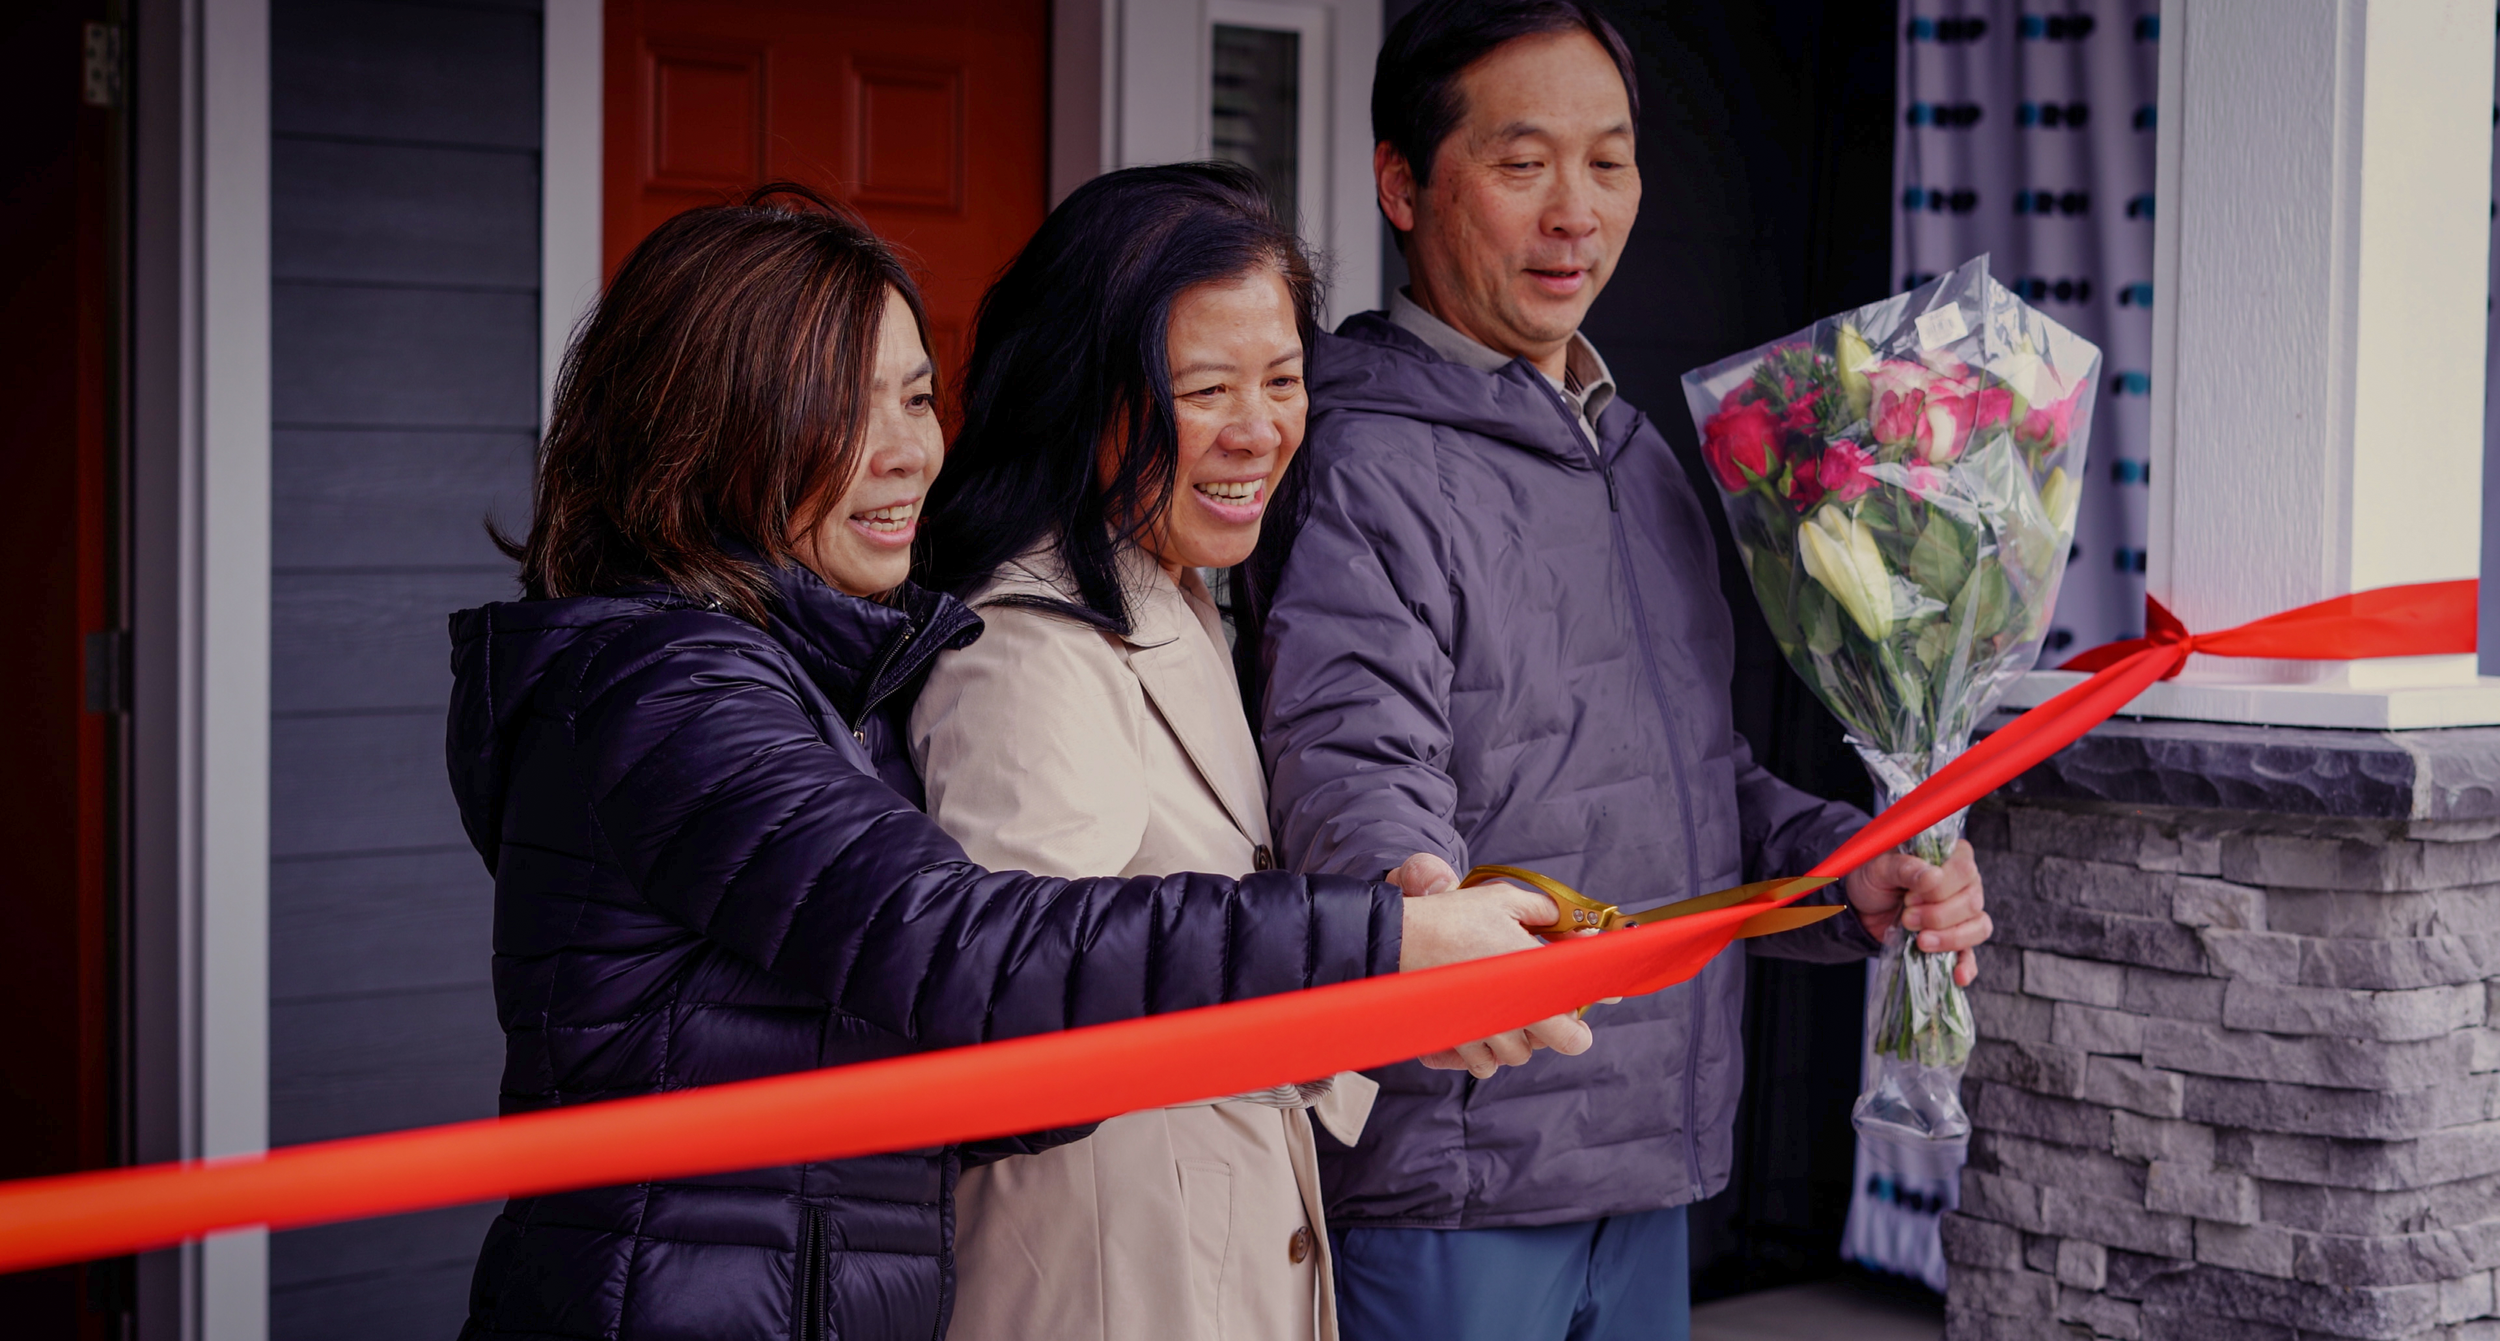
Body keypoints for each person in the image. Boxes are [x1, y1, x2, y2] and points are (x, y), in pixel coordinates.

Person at [444, 185, 1579, 1341]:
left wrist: (1365, 1000)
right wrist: (1379, 947)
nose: (905, 455)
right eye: (834, 412)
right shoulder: (670, 694)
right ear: (706, 429)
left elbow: (970, 1075)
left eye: (916, 398)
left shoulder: (818, 669)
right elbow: (970, 949)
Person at [1249, 6, 1999, 1340]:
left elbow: (1696, 783)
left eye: (1610, 162)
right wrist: (1412, 901)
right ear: (1401, 184)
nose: (1575, 217)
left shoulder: (1637, 458)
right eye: (1523, 162)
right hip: (1460, 1169)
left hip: (1650, 1151)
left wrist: (1857, 868)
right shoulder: (1358, 460)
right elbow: (1356, 771)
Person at [909, 162, 1585, 1341]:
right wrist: (1383, 952)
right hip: (1105, 1280)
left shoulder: (1187, 589)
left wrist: (1408, 967)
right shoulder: (1023, 649)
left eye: (1282, 380)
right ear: (1086, 396)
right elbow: (1022, 992)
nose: (1259, 429)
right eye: (1205, 387)